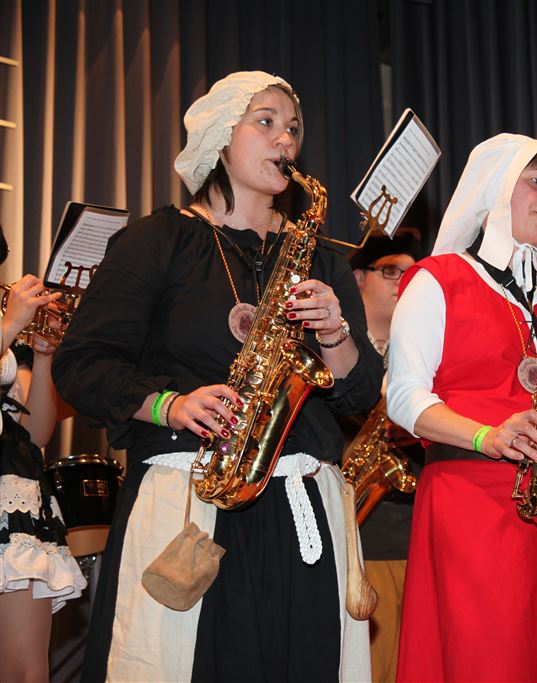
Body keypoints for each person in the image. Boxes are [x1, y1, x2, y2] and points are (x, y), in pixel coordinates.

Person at [52, 71, 383, 682]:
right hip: (189, 499)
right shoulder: (158, 240)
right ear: (219, 137)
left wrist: (336, 332)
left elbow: (360, 395)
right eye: (265, 121)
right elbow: (82, 363)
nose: (285, 139)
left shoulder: (321, 259)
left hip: (302, 506)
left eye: (293, 128)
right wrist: (169, 405)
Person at [387, 133, 537, 681]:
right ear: (495, 188)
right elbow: (402, 397)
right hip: (472, 506)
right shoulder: (437, 279)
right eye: (535, 181)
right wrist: (487, 435)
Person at [0, 225, 86, 683]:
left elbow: (35, 434)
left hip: (13, 496)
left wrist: (45, 354)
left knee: (26, 672)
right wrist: (10, 325)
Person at [345, 229, 421, 683]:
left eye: (412, 274)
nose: (403, 282)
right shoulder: (337, 350)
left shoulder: (423, 352)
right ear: (358, 278)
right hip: (361, 539)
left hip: (416, 534)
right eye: (391, 271)